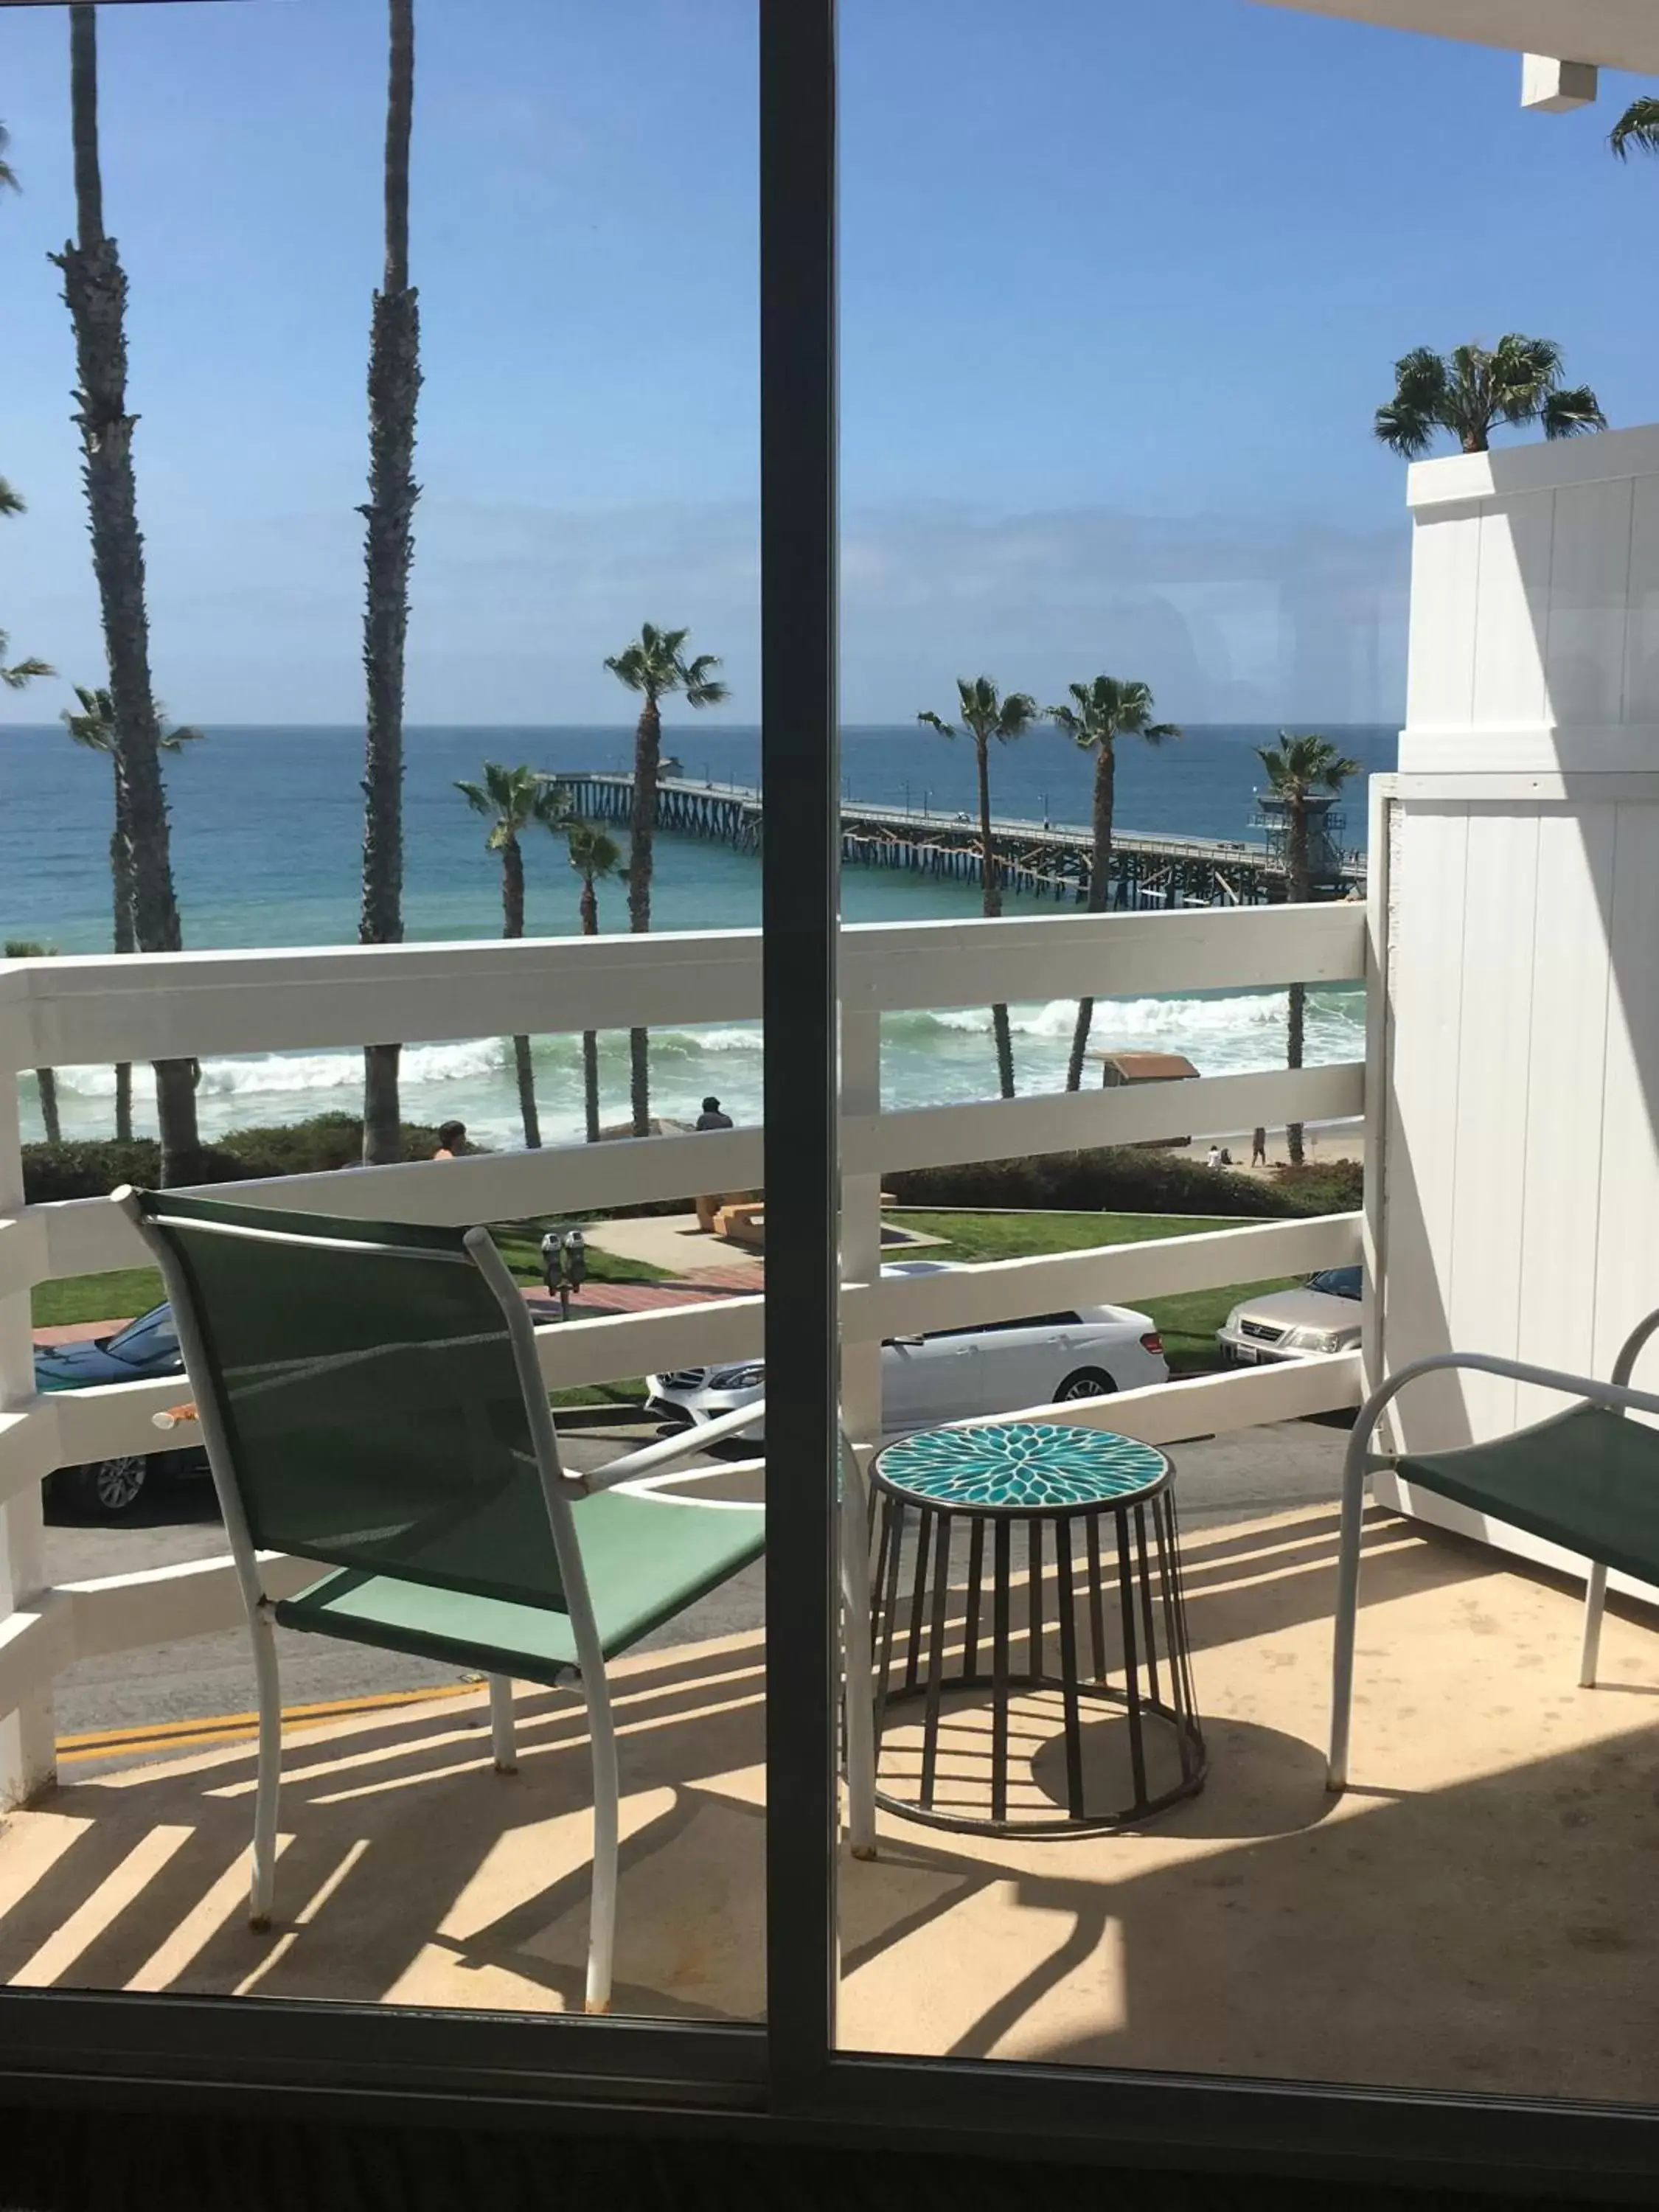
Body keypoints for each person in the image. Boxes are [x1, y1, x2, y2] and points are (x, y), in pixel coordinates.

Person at [695, 1096, 734, 1231]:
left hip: (709, 1160)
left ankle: (708, 1221)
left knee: (705, 1191)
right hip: (727, 1161)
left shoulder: (704, 1119)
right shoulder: (727, 1119)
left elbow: (697, 1138)